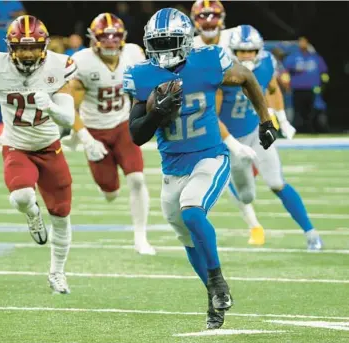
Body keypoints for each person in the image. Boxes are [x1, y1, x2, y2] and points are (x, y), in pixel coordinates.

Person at [124, 8, 276, 329]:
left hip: (210, 156)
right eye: (158, 43)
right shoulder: (142, 75)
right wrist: (155, 114)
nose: (164, 50)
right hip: (172, 167)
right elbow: (137, 135)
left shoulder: (207, 60)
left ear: (185, 40)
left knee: (192, 211)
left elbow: (246, 77)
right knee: (187, 238)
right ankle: (213, 294)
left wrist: (265, 120)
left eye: (170, 42)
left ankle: (218, 282)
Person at [0, 15, 77, 294]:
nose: (27, 53)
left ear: (43, 46)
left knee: (61, 215)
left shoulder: (59, 66)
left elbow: (69, 118)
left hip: (50, 146)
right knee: (22, 196)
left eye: (33, 47)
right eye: (21, 47)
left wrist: (53, 109)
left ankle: (57, 272)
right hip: (16, 145)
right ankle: (32, 213)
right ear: (10, 47)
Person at [191, 0, 295, 245]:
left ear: (222, 18)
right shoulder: (190, 46)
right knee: (212, 177)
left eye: (213, 15)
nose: (208, 21)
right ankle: (254, 225)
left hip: (238, 116)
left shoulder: (235, 39)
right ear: (195, 20)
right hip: (201, 113)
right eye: (203, 16)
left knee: (251, 174)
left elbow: (263, 74)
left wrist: (279, 117)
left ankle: (254, 223)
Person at [217, 25, 323, 250]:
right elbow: (212, 116)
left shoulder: (266, 63)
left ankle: (311, 232)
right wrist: (231, 144)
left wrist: (282, 120)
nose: (247, 56)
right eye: (241, 51)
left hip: (256, 132)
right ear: (232, 51)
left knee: (276, 182)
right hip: (232, 140)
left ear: (259, 51)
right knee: (246, 197)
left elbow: (272, 90)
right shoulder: (222, 71)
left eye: (251, 51)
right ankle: (251, 216)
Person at [61, 13, 155, 255]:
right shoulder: (82, 61)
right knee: (110, 193)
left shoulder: (134, 53)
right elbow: (71, 106)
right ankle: (107, 186)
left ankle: (140, 237)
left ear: (122, 38)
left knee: (137, 179)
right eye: (105, 36)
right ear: (94, 39)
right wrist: (83, 137)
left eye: (115, 36)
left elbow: (145, 86)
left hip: (123, 125)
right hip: (95, 130)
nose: (111, 41)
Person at [283, 36, 329, 133]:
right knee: (298, 111)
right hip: (297, 89)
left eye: (304, 42)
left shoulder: (315, 57)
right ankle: (299, 130)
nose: (302, 44)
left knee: (311, 111)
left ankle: (311, 130)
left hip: (312, 89)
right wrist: (286, 85)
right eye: (300, 42)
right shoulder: (293, 57)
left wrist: (323, 85)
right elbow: (285, 72)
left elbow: (324, 73)